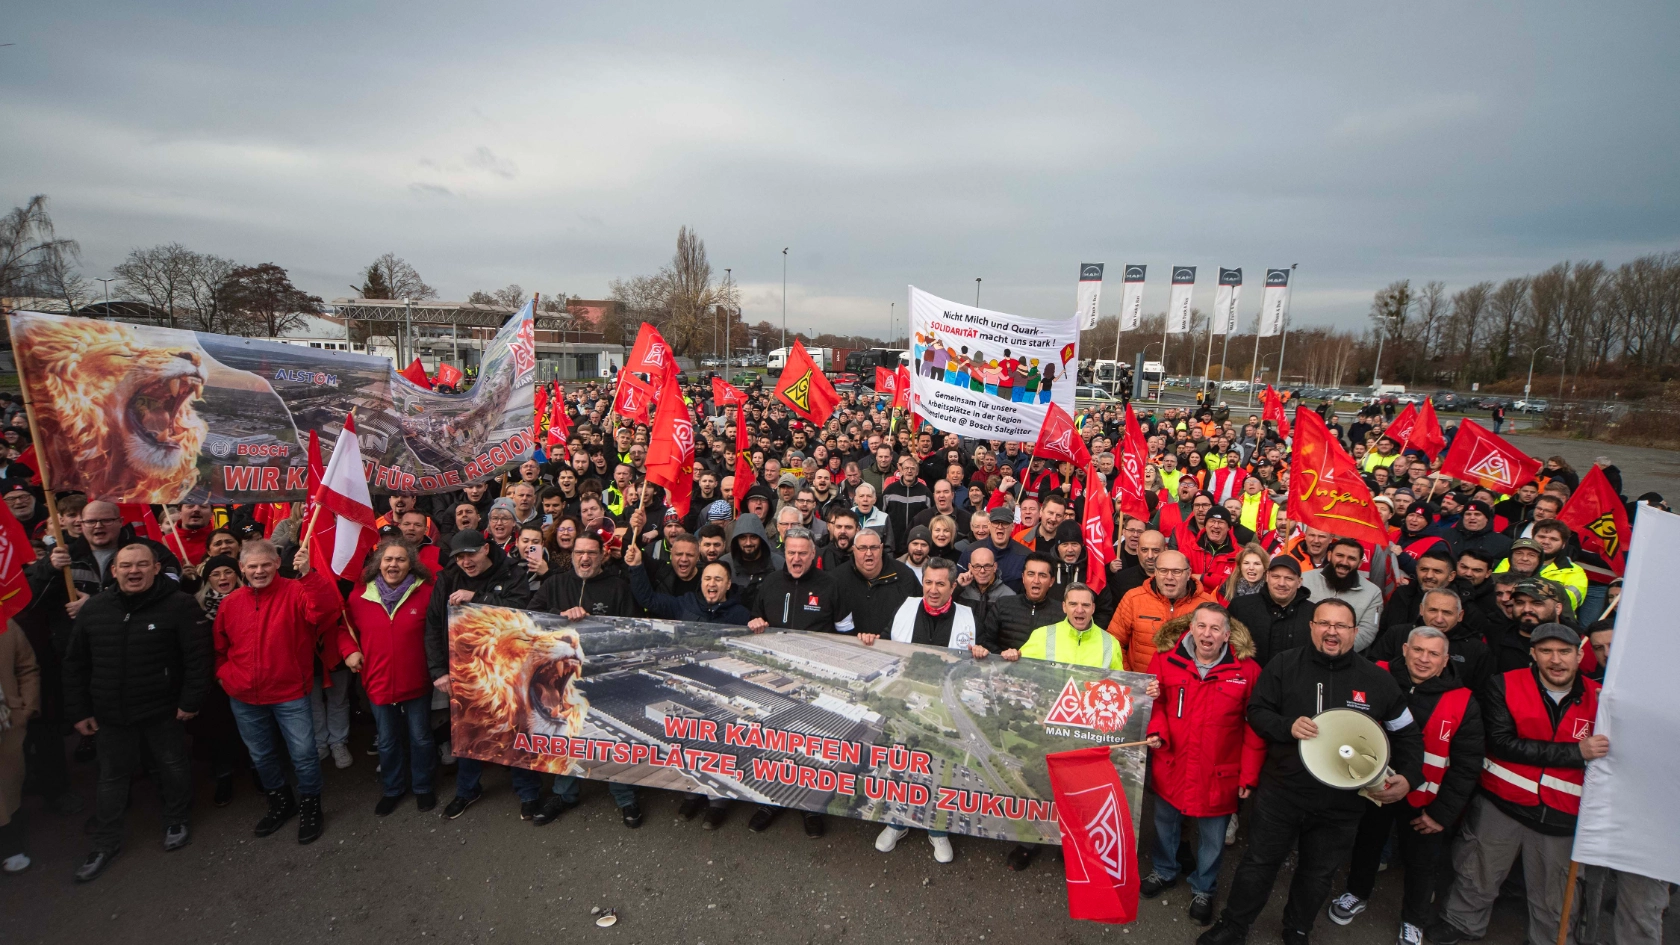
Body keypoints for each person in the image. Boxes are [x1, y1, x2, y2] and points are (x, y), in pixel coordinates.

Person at [1200, 599, 1423, 945]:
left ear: (1354, 632)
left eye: (1341, 626)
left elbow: (1406, 732)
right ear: (1312, 627)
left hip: (1342, 803)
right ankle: (1234, 926)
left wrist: (1409, 776)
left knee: (1318, 872)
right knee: (1259, 862)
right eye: (1324, 623)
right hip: (1283, 791)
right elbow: (1257, 712)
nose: (1331, 631)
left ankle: (1298, 928)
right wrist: (1287, 726)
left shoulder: (1377, 679)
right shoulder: (1284, 665)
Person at [1430, 624, 1606, 945]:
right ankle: (1461, 924)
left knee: (1556, 894)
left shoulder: (1602, 699)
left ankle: (1550, 940)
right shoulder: (1504, 684)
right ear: (1533, 653)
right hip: (1501, 803)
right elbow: (1502, 743)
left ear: (1580, 655)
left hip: (1562, 817)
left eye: (1565, 652)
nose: (1556, 660)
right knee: (1476, 873)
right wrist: (1576, 753)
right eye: (1546, 651)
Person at [62, 543, 212, 881]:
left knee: (172, 765)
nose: (134, 571)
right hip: (111, 715)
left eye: (143, 564)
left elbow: (198, 659)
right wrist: (79, 710)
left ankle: (176, 819)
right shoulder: (95, 609)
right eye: (126, 565)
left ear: (156, 568)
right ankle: (106, 840)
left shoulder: (180, 605)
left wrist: (191, 701)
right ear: (113, 571)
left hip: (163, 710)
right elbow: (75, 665)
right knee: (112, 778)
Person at [1327, 626, 1484, 945]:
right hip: (1373, 790)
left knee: (1422, 863)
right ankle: (1356, 893)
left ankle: (1414, 920)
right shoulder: (1376, 674)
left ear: (1445, 660)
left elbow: (1467, 766)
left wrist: (1442, 814)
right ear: (1404, 649)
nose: (1424, 659)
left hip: (1426, 801)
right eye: (1418, 650)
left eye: (1433, 654)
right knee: (1367, 845)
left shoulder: (1463, 700)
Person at [1140, 603, 1265, 926]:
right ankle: (1164, 870)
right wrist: (1157, 732)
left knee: (1213, 836)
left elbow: (1256, 726)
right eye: (1201, 626)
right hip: (1173, 761)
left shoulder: (1247, 670)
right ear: (1190, 628)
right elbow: (1154, 704)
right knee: (1165, 823)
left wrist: (1249, 775)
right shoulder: (1166, 659)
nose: (1206, 634)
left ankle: (1204, 888)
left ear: (1227, 635)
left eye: (1214, 629)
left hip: (1219, 771)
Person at [214, 540, 342, 846]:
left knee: (304, 755)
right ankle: (280, 802)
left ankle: (311, 805)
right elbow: (220, 647)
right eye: (252, 566)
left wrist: (309, 575)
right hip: (244, 696)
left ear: (276, 563)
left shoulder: (297, 591)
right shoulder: (230, 604)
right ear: (242, 568)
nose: (259, 571)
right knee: (261, 756)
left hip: (289, 693)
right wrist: (223, 676)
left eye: (265, 565)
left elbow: (327, 612)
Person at [1005, 582, 1126, 870]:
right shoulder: (1042, 636)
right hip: (1047, 726)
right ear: (1064, 606)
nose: (1079, 610)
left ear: (1094, 608)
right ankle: (1028, 843)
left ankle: (1069, 843)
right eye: (1073, 604)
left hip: (1086, 732)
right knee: (1040, 787)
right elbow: (1021, 674)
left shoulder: (1111, 643)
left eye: (1085, 604)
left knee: (1079, 793)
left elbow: (1120, 687)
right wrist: (1011, 658)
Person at [863, 558, 973, 864]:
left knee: (938, 769)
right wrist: (872, 640)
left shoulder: (968, 616)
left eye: (940, 584)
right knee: (901, 765)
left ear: (953, 586)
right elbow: (886, 640)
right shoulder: (907, 607)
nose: (933, 590)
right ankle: (896, 822)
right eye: (928, 582)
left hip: (943, 705)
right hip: (904, 703)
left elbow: (983, 659)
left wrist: (983, 651)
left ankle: (938, 831)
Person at [424, 530, 536, 821]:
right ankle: (467, 790)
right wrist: (438, 672)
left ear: (486, 549)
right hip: (467, 669)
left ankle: (528, 793)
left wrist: (479, 599)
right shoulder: (448, 577)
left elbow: (523, 612)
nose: (466, 562)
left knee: (516, 729)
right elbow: (434, 624)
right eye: (460, 557)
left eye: (471, 554)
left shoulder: (511, 571)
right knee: (468, 730)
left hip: (509, 666)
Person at [533, 532, 642, 827]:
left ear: (602, 555)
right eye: (579, 553)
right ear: (572, 555)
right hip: (562, 680)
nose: (585, 558)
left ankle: (625, 796)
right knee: (566, 737)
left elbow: (631, 631)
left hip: (605, 677)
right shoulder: (555, 584)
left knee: (612, 738)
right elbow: (531, 619)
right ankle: (564, 793)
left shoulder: (618, 587)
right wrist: (559, 617)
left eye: (591, 553)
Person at [746, 526, 837, 837]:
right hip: (775, 680)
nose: (797, 558)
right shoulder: (769, 583)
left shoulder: (829, 585)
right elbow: (755, 620)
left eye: (803, 553)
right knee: (774, 743)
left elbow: (845, 633)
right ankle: (771, 801)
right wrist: (755, 623)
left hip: (815, 681)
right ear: (783, 554)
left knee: (809, 745)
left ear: (813, 555)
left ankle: (809, 807)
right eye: (791, 552)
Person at [341, 538, 437, 816]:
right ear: (378, 564)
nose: (393, 564)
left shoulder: (427, 592)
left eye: (400, 559)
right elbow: (343, 627)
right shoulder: (359, 596)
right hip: (378, 681)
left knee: (420, 738)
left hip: (417, 680)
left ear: (411, 565)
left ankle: (423, 787)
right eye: (388, 559)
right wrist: (349, 650)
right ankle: (392, 789)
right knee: (387, 740)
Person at [1109, 549, 1216, 671]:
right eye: (1163, 571)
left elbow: (1218, 648)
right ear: (1155, 572)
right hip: (1142, 684)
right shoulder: (1133, 598)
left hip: (1187, 686)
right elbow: (1114, 643)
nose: (1169, 577)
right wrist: (1130, 677)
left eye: (1176, 571)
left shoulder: (1207, 604)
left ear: (1188, 573)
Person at [1300, 537, 1384, 652]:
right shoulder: (1304, 580)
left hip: (1346, 659)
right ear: (1329, 556)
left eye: (1351, 558)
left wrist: (1336, 651)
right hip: (1304, 652)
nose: (1344, 562)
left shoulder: (1373, 593)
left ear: (1360, 563)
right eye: (1339, 555)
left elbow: (1367, 632)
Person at [1229, 555, 1314, 668]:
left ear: (1299, 582)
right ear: (1267, 577)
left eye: (1289, 578)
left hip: (1294, 682)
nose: (1281, 583)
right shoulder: (1240, 607)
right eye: (1276, 576)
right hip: (1251, 680)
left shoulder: (1313, 613)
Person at [0, 620, 38, 875]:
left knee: (7, 786)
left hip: (7, 720)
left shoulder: (6, 625)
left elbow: (27, 668)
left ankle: (10, 845)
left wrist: (25, 708)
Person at [833, 528, 921, 636]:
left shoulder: (904, 575)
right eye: (863, 548)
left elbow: (917, 613)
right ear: (854, 550)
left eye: (874, 547)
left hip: (893, 647)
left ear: (881, 548)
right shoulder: (838, 578)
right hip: (850, 646)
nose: (869, 553)